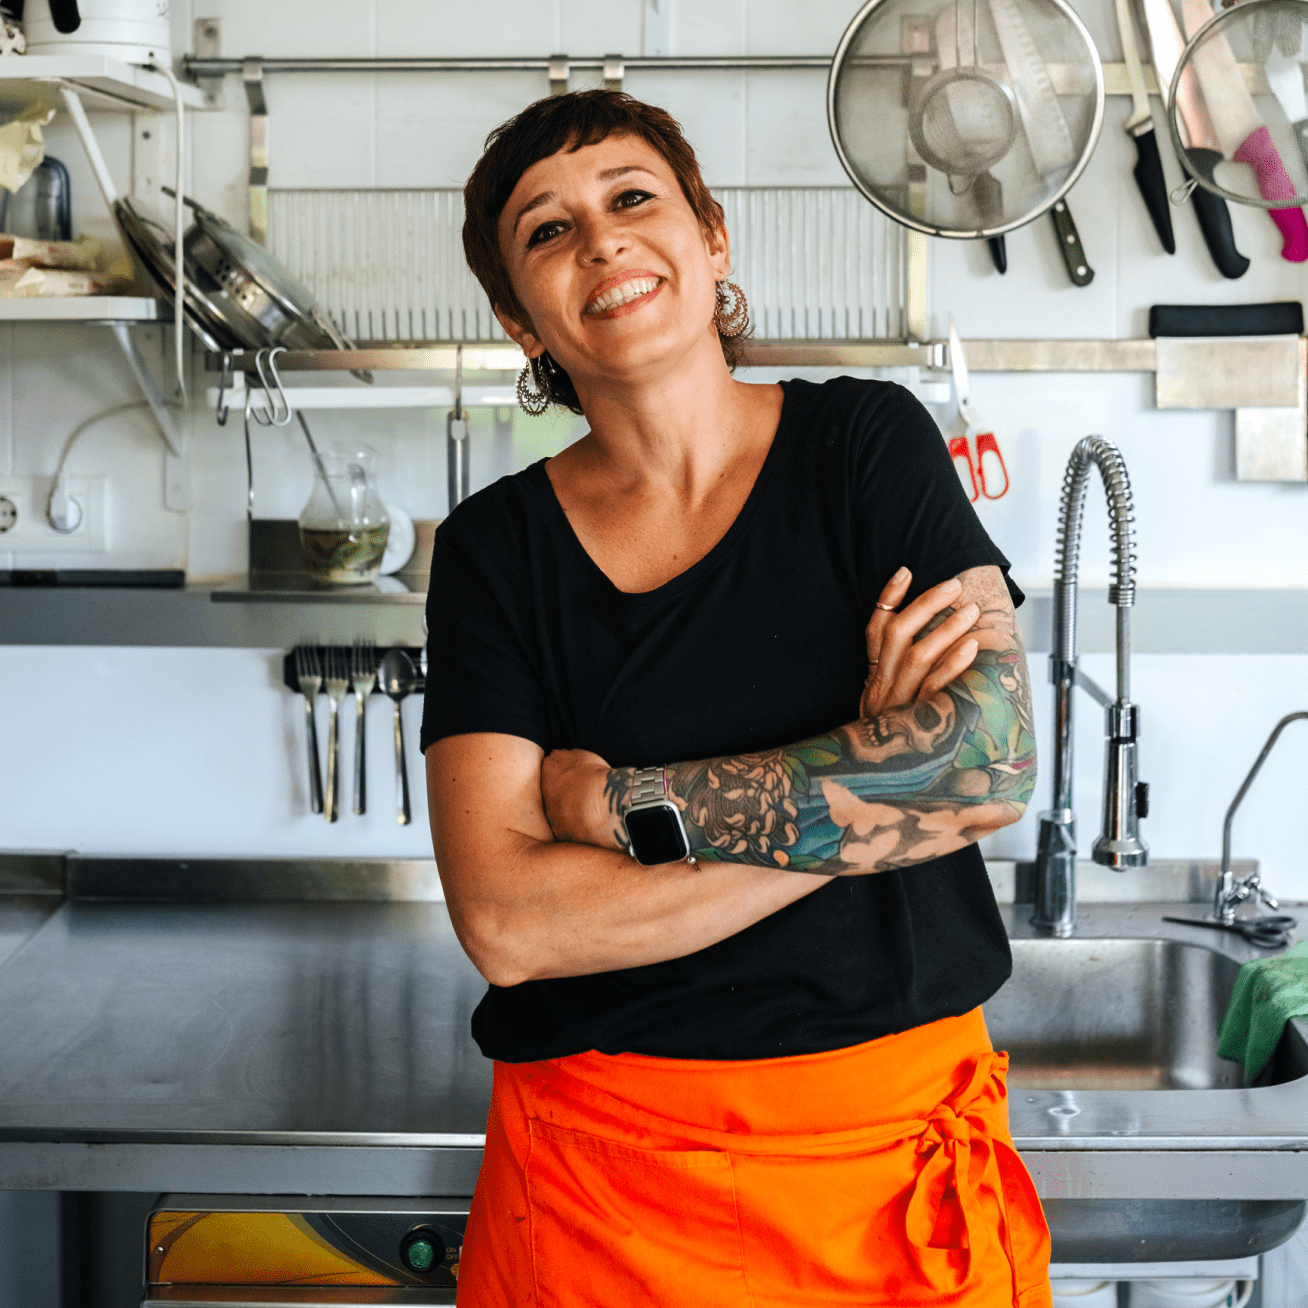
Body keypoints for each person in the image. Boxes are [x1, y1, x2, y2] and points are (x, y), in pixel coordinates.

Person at [422, 88, 1049, 1308]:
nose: (600, 240)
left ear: (712, 237)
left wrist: (621, 811)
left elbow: (991, 765)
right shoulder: (496, 550)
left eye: (631, 197)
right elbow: (510, 923)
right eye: (546, 231)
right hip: (605, 1197)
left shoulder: (867, 445)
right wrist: (872, 777)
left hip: (890, 1192)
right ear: (519, 320)